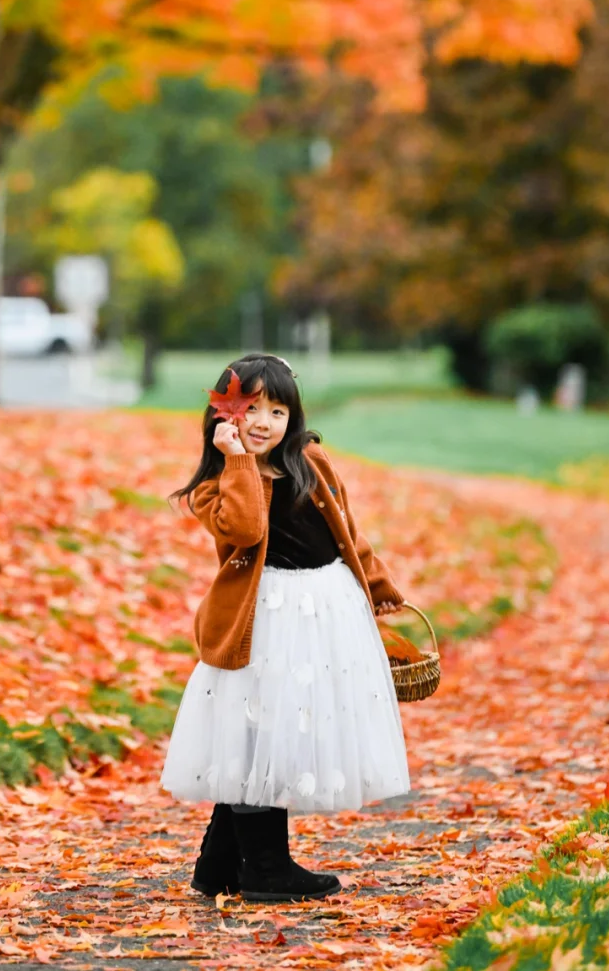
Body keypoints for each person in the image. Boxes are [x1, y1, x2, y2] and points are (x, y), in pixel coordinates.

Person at [160, 352, 410, 903]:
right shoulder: (215, 486)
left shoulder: (310, 461)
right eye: (251, 409)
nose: (265, 422)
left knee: (280, 729)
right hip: (263, 617)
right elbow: (247, 529)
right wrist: (237, 460)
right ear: (225, 416)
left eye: (278, 412)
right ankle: (267, 869)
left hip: (325, 609)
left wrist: (379, 587)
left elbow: (346, 532)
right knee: (257, 729)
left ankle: (218, 865)